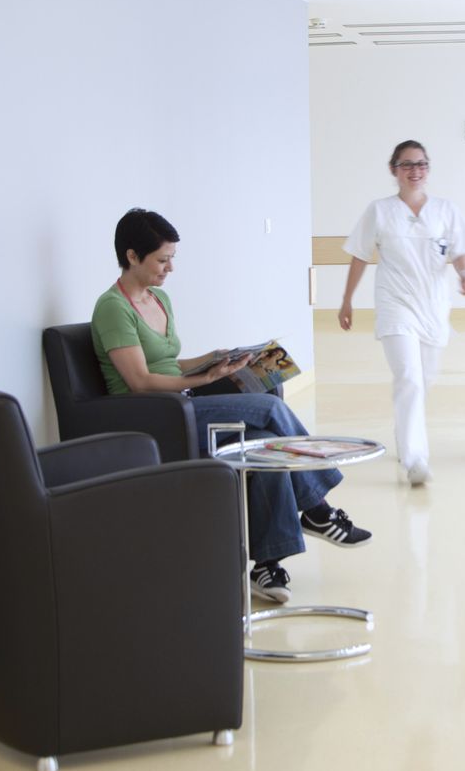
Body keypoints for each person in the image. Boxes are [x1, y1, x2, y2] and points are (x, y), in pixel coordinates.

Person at [91, 208, 370, 605]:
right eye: (162, 260)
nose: (170, 268)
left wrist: (214, 360)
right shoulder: (112, 308)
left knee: (262, 437)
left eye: (172, 258)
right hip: (154, 418)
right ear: (132, 256)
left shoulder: (159, 298)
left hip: (182, 402)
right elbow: (140, 381)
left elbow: (169, 362)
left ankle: (266, 565)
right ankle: (317, 508)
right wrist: (202, 380)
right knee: (270, 411)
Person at [338, 141, 465, 486]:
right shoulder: (380, 210)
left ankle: (405, 436)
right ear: (394, 170)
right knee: (409, 378)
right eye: (407, 165)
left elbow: (459, 250)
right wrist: (346, 300)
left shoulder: (446, 210)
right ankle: (416, 459)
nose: (415, 171)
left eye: (421, 164)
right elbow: (360, 255)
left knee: (424, 379)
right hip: (395, 304)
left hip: (433, 307)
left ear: (428, 169)